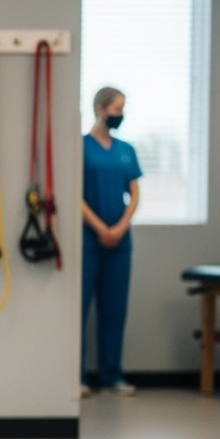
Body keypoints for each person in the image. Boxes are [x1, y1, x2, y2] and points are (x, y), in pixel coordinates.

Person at [81, 86, 140, 397]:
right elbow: (73, 195)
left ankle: (111, 376)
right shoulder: (80, 147)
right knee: (78, 310)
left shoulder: (126, 149)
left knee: (114, 310)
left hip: (120, 243)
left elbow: (135, 194)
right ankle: (76, 378)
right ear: (101, 109)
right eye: (117, 108)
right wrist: (100, 227)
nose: (120, 115)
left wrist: (119, 227)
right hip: (88, 241)